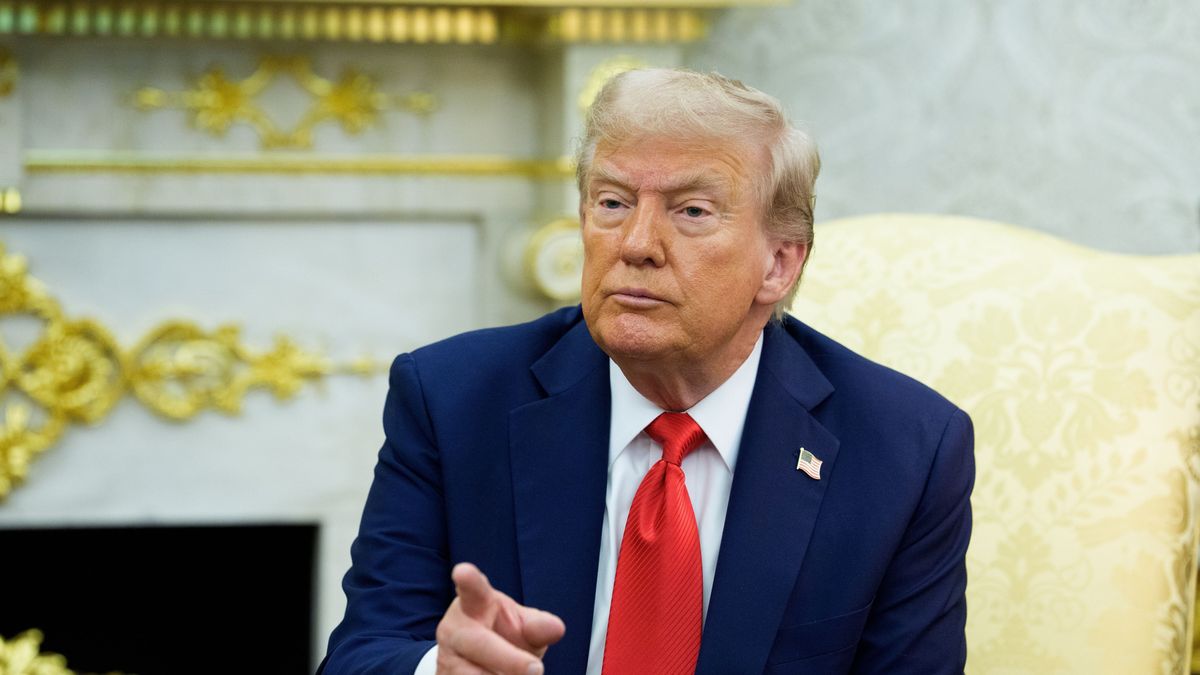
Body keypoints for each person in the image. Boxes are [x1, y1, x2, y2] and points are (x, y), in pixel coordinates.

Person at [320, 68, 974, 675]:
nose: (634, 244)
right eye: (611, 202)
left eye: (691, 211)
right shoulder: (452, 399)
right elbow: (361, 652)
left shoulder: (905, 450)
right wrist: (440, 669)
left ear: (778, 264)